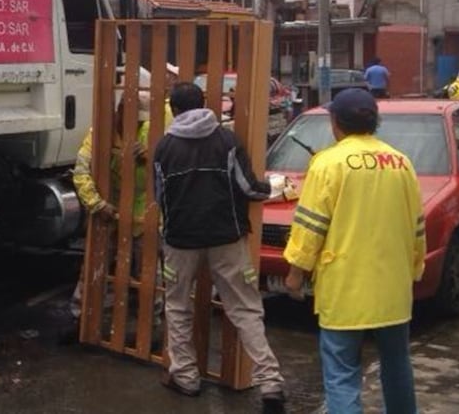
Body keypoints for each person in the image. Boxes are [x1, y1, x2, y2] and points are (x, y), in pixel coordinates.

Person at [282, 88, 425, 414]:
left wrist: (295, 273)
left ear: (336, 122)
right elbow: (417, 225)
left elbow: (310, 226)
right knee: (397, 364)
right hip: (392, 288)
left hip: (345, 287)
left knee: (342, 373)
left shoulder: (327, 163)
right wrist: (414, 270)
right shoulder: (401, 162)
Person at [153, 82, 286, 411]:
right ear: (204, 104)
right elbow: (249, 188)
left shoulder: (164, 147)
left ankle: (185, 377)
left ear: (175, 109)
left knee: (178, 307)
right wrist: (274, 188)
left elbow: (160, 197)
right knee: (245, 309)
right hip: (227, 237)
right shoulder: (226, 140)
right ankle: (270, 384)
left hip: (180, 240)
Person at [64, 87, 171, 340]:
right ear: (120, 112)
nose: (139, 124)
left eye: (142, 120)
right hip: (109, 212)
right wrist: (97, 205)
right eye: (135, 118)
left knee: (148, 276)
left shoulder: (153, 136)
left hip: (143, 217)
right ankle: (81, 321)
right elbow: (81, 171)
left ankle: (150, 329)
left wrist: (151, 160)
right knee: (93, 269)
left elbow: (169, 175)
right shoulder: (99, 134)